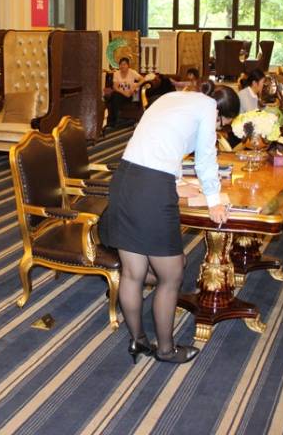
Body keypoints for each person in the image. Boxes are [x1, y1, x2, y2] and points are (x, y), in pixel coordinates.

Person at [99, 83, 240, 364]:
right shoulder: (208, 107)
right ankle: (166, 350)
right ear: (220, 113)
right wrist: (214, 201)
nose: (218, 128)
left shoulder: (174, 96)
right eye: (222, 124)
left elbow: (160, 142)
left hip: (124, 179)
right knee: (172, 275)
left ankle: (138, 340)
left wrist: (174, 182)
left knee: (133, 273)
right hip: (152, 189)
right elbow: (205, 160)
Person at [106, 57, 143, 128]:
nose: (122, 66)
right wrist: (124, 93)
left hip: (130, 95)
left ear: (128, 65)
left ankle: (113, 122)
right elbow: (115, 87)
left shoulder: (132, 72)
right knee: (115, 96)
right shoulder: (116, 73)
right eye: (121, 64)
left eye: (124, 64)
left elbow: (143, 79)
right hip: (121, 94)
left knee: (114, 98)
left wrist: (136, 85)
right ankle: (116, 120)